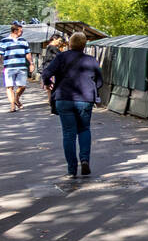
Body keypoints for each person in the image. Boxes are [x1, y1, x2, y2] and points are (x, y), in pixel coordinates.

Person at [40, 32, 104, 176]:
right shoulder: (92, 60)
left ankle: (72, 169)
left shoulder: (61, 57)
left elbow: (46, 73)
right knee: (84, 130)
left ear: (70, 44)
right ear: (84, 45)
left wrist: (48, 82)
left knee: (69, 134)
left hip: (64, 98)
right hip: (85, 99)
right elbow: (99, 82)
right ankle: (85, 160)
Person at [2, 22, 34, 112]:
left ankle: (16, 98)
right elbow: (0, 54)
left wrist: (31, 63)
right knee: (9, 86)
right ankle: (12, 105)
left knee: (23, 86)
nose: (22, 32)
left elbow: (28, 53)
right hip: (9, 67)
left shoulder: (23, 40)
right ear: (15, 31)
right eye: (21, 30)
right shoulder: (4, 41)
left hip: (21, 67)